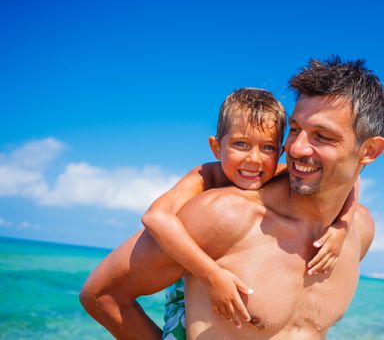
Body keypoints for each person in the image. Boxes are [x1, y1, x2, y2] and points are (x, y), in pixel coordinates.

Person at [80, 56, 384, 339]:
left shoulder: (358, 230)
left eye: (322, 136)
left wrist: (343, 224)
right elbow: (101, 295)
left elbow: (349, 181)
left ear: (369, 151)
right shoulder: (224, 215)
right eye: (294, 130)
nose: (295, 149)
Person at [140, 88, 357, 339]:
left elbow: (351, 177)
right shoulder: (206, 175)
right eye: (241, 144)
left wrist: (342, 225)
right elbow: (155, 217)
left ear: (281, 151)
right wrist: (211, 275)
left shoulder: (281, 173)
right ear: (215, 146)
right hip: (189, 283)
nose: (254, 160)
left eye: (267, 148)